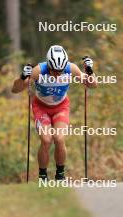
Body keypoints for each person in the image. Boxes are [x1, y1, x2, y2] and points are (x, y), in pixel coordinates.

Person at [12, 45, 97, 181]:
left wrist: (90, 71)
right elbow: (15, 89)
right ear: (49, 66)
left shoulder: (71, 68)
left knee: (59, 138)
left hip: (61, 107)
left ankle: (60, 175)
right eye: (55, 71)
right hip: (41, 107)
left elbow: (93, 85)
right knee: (46, 140)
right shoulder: (39, 70)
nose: (58, 74)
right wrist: (23, 77)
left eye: (60, 71)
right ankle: (43, 176)